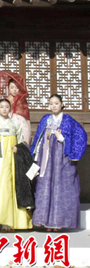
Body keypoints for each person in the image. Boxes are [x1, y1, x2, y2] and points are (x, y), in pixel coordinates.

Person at [31, 94, 87, 230]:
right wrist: (36, 155)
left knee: (60, 187)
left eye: (56, 103)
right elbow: (38, 138)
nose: (54, 105)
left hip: (61, 158)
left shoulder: (68, 120)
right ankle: (45, 221)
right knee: (45, 186)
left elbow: (80, 135)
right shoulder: (46, 119)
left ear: (62, 104)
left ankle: (59, 222)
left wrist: (61, 137)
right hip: (46, 157)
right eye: (51, 103)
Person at [0, 99, 32, 231]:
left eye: (7, 107)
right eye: (1, 106)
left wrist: (18, 149)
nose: (4, 109)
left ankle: (10, 222)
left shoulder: (15, 124)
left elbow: (21, 142)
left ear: (10, 109)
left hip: (11, 159)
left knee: (10, 185)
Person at [0, 71, 31, 145]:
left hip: (22, 125)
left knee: (21, 148)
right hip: (9, 124)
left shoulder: (22, 100)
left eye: (17, 88)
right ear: (8, 88)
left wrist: (29, 131)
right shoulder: (5, 101)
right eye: (12, 87)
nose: (14, 90)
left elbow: (27, 118)